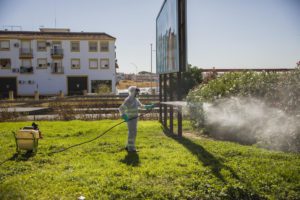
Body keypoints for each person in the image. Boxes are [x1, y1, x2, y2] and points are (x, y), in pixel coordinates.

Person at [119, 86, 154, 152]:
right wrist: (124, 116)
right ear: (133, 92)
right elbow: (121, 109)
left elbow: (141, 106)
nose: (138, 94)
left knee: (132, 133)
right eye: (136, 92)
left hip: (134, 119)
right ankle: (131, 149)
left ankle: (128, 146)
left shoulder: (136, 100)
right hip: (130, 119)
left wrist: (148, 106)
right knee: (132, 133)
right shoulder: (128, 100)